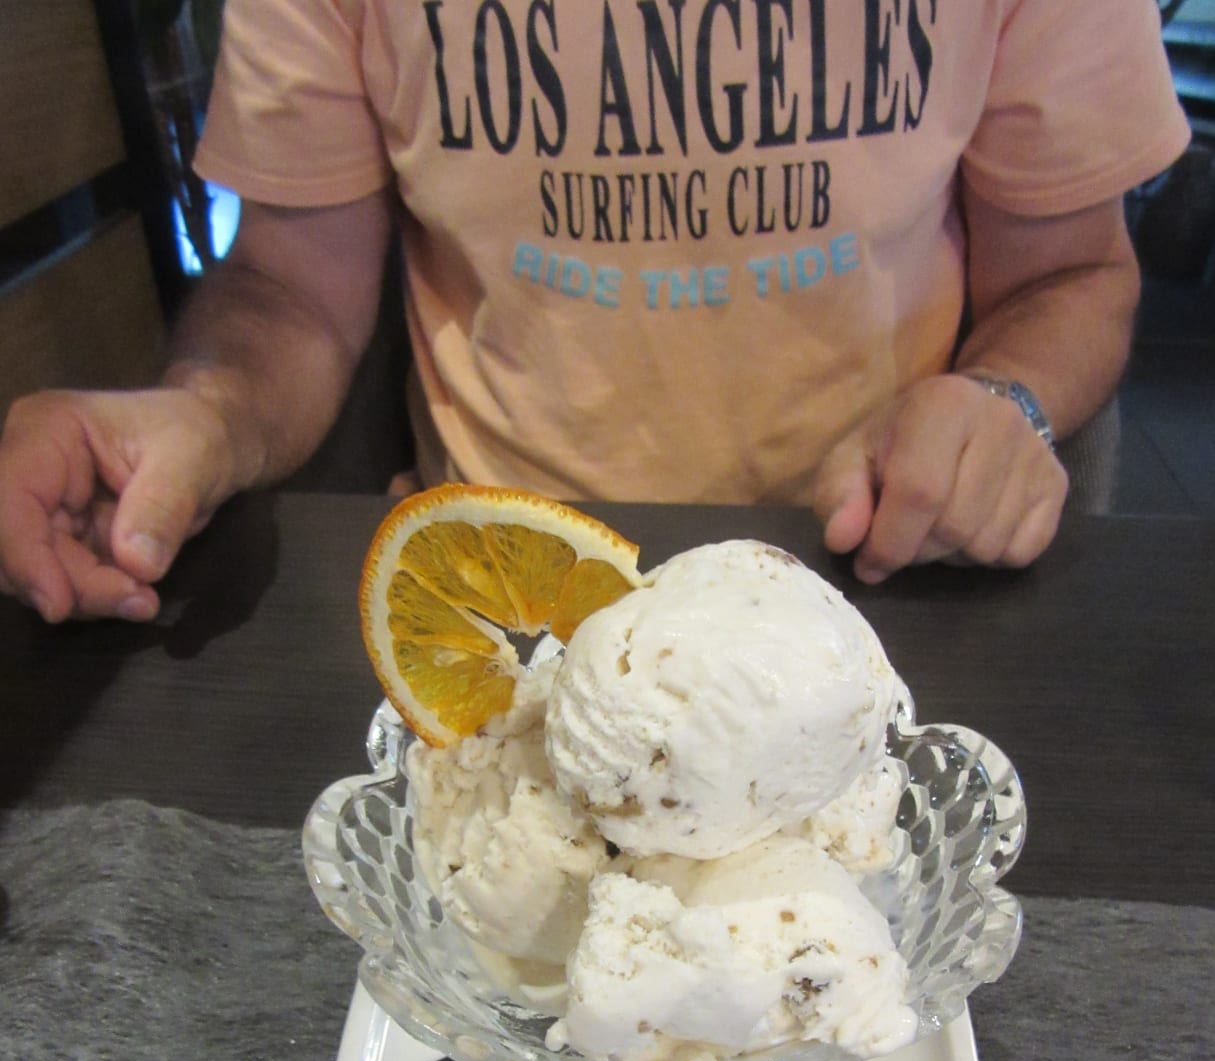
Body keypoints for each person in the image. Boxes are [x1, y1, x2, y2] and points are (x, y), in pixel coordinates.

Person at [0, 0, 1190, 622]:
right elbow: (289, 288)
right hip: (508, 596)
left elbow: (1070, 277)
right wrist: (204, 413)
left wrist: (1002, 404)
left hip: (879, 576)